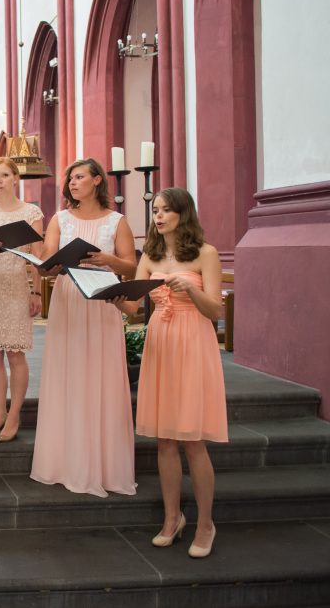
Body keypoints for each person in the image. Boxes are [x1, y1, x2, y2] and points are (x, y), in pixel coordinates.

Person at [111, 188, 227, 558]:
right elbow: (134, 308)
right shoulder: (151, 254)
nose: (158, 217)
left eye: (166, 211)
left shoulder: (205, 254)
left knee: (193, 440)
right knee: (164, 440)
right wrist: (116, 298)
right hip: (160, 342)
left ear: (183, 214)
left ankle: (206, 524)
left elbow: (216, 312)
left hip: (194, 341)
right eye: (155, 211)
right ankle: (172, 517)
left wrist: (188, 292)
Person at [29, 158, 138, 497]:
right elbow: (47, 266)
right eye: (70, 179)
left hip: (102, 299)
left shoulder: (117, 221)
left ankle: (103, 465)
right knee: (69, 374)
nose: (73, 183)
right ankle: (65, 461)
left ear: (96, 181)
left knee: (100, 375)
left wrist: (108, 261)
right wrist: (51, 262)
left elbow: (132, 268)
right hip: (69, 301)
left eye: (79, 177)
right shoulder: (59, 219)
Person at [0, 157, 44, 443]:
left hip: (16, 285)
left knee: (15, 354)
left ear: (16, 178)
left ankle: (14, 415)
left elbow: (38, 256)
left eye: (4, 175)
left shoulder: (32, 213)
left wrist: (37, 291)